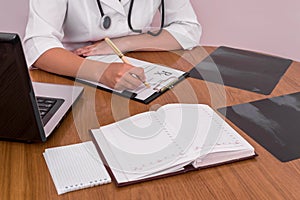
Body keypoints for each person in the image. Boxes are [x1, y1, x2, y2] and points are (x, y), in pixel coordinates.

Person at [23, 0, 201, 90]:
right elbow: (38, 44)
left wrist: (124, 43)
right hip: (72, 71)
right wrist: (101, 72)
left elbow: (188, 29)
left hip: (135, 69)